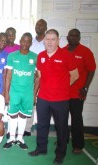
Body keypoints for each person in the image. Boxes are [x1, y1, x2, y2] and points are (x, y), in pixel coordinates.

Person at [28, 29, 79, 164]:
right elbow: (39, 76)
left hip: (61, 100)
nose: (50, 42)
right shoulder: (41, 56)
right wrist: (35, 94)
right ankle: (41, 148)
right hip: (43, 98)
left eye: (53, 39)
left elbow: (75, 75)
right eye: (47, 39)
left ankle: (60, 154)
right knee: (42, 125)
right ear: (44, 41)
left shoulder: (66, 55)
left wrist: (61, 87)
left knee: (61, 128)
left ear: (58, 41)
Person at [3, 33, 38, 150]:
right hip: (14, 92)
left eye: (28, 42)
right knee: (12, 116)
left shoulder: (35, 57)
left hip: (27, 93)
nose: (25, 44)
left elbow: (38, 77)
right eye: (23, 41)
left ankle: (20, 139)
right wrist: (6, 93)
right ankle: (11, 138)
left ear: (31, 44)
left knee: (23, 116)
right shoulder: (12, 56)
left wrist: (34, 94)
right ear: (20, 41)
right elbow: (8, 77)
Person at [65, 29, 96, 154]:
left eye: (76, 36)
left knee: (76, 119)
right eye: (71, 35)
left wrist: (86, 88)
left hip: (78, 92)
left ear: (79, 37)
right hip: (63, 92)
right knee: (61, 118)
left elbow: (91, 70)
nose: (73, 37)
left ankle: (78, 144)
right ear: (67, 37)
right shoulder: (63, 50)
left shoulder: (85, 51)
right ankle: (64, 138)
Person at [24, 19, 48, 136]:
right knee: (30, 101)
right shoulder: (30, 42)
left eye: (41, 25)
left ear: (45, 28)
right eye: (37, 25)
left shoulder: (47, 43)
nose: (39, 27)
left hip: (46, 79)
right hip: (30, 78)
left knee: (42, 104)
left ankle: (42, 130)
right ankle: (27, 129)